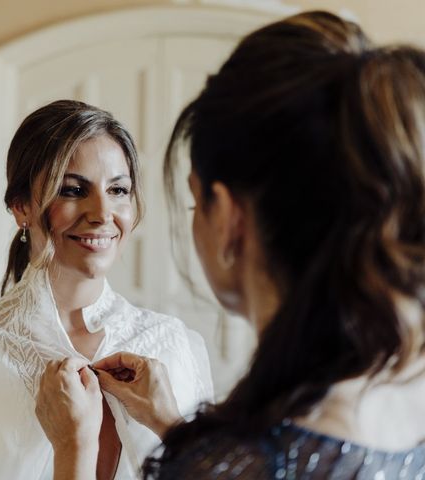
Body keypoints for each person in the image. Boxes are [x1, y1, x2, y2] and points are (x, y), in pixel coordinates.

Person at [35, 11, 425, 479]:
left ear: (228, 216)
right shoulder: (403, 411)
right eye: (74, 188)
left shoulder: (240, 461)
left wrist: (74, 449)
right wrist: (174, 427)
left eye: (195, 199)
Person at [0, 100, 214, 480]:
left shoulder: (178, 347)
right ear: (21, 206)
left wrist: (171, 427)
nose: (102, 213)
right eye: (73, 190)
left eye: (118, 189)